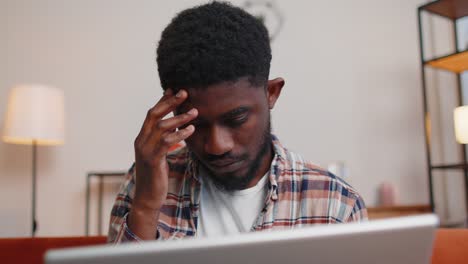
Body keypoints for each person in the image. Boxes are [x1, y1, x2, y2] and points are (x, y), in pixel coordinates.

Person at [108, 1, 367, 243]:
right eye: (195, 124)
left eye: (236, 119)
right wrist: (145, 206)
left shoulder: (336, 205)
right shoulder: (143, 183)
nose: (217, 146)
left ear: (271, 93)